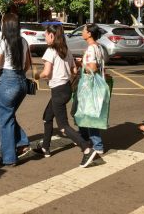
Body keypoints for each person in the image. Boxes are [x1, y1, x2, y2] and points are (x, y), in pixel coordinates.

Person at [33, 24, 98, 167]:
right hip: (66, 89)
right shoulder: (66, 50)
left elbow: (46, 73)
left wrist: (36, 75)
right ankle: (45, 147)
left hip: (58, 91)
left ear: (51, 35)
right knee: (47, 117)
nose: (45, 38)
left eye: (45, 35)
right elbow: (74, 70)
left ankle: (87, 149)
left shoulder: (50, 51)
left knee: (63, 126)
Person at [0, 13, 31, 167]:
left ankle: (8, 158)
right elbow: (27, 65)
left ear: (6, 26)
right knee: (8, 116)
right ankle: (22, 142)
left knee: (5, 120)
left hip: (8, 82)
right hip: (21, 81)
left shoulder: (2, 42)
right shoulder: (23, 41)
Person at [74, 23, 107, 155]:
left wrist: (80, 63)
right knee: (83, 111)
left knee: (90, 114)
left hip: (90, 84)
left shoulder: (92, 49)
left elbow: (92, 68)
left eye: (84, 30)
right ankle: (83, 137)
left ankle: (98, 145)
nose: (82, 32)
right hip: (93, 84)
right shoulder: (98, 47)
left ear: (89, 34)